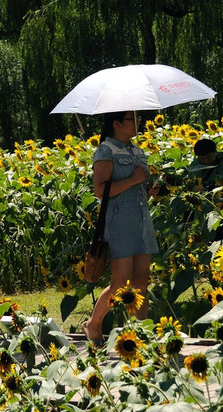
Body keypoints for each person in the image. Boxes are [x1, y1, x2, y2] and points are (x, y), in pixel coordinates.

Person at [82, 111, 159, 343]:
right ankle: (93, 325)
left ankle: (141, 336)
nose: (138, 123)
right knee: (120, 284)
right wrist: (134, 180)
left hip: (141, 219)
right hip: (119, 222)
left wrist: (148, 191)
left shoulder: (137, 151)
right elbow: (100, 191)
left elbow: (136, 187)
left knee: (141, 283)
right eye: (132, 120)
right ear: (116, 124)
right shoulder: (106, 151)